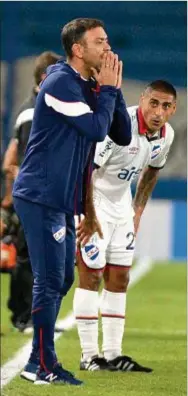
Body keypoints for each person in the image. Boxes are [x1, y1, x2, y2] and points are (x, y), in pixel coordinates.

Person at [12, 18, 132, 385]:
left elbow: (122, 135)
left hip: (61, 200)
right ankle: (42, 365)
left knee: (62, 277)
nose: (107, 49)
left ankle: (38, 359)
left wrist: (114, 89)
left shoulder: (87, 83)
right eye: (100, 43)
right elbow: (96, 129)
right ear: (78, 49)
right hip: (40, 195)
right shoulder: (61, 82)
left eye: (108, 42)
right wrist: (107, 91)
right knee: (50, 281)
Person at [75, 80, 176, 372]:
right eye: (153, 102)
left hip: (121, 205)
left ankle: (112, 354)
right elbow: (86, 172)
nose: (158, 111)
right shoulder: (117, 126)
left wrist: (138, 211)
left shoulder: (166, 136)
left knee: (119, 279)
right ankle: (89, 355)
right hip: (93, 199)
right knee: (91, 276)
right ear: (142, 99)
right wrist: (89, 216)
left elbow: (151, 173)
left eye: (166, 105)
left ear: (174, 109)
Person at [2, 51, 61, 331]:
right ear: (43, 78)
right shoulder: (32, 111)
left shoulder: (44, 106)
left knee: (41, 257)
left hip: (41, 194)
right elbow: (27, 159)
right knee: (27, 255)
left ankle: (33, 315)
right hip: (33, 196)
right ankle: (22, 315)